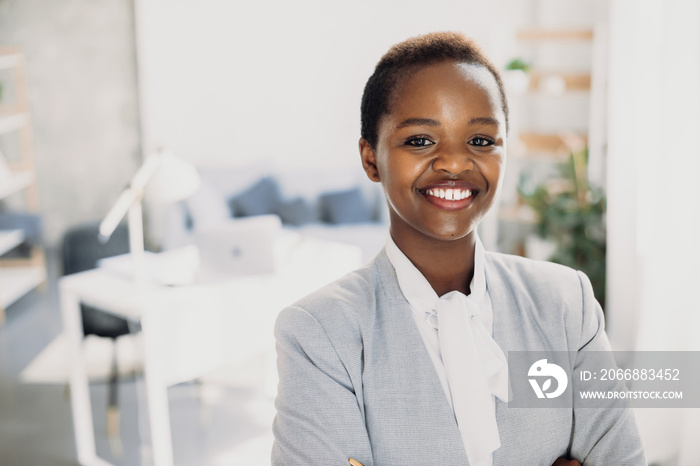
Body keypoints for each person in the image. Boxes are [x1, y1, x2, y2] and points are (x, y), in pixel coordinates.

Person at [272, 32, 645, 465]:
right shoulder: (320, 332)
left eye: (481, 141)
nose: (454, 162)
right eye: (419, 140)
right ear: (371, 158)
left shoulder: (565, 303)